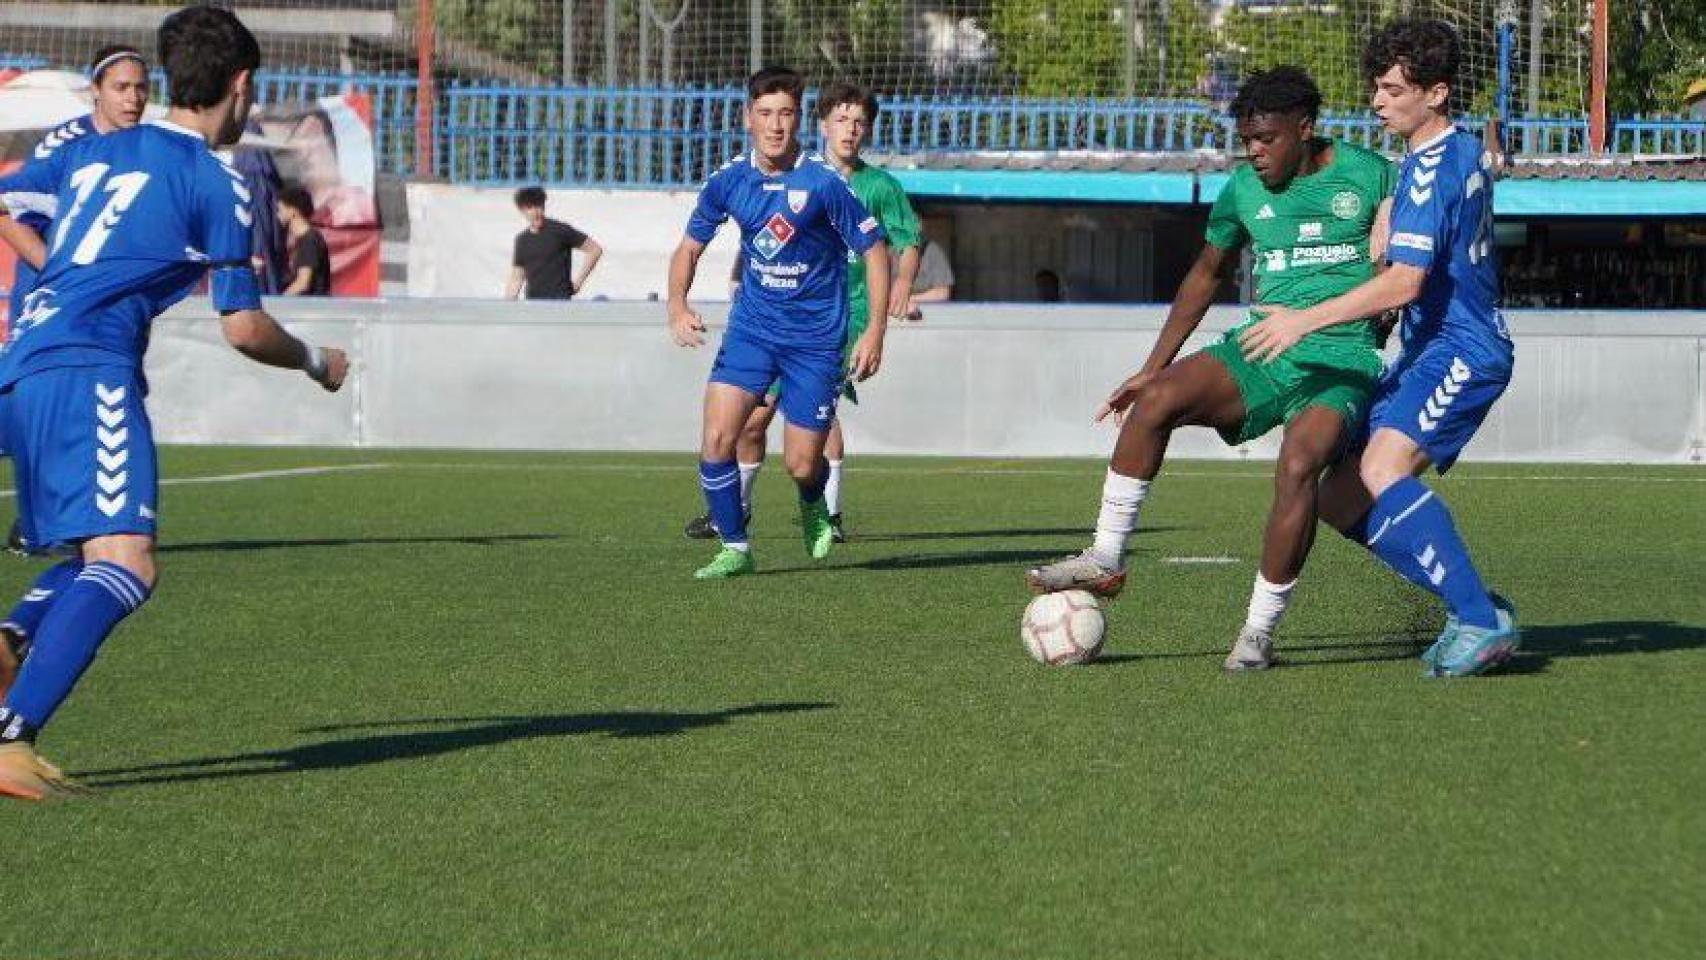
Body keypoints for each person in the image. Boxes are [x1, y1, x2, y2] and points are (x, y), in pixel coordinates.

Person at [0, 4, 351, 800]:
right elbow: (244, 327)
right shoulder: (213, 180)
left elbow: (16, 202)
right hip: (87, 368)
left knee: (87, 556)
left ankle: (17, 634)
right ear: (242, 84)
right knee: (127, 563)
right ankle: (10, 735)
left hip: (22, 359)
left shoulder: (93, 151)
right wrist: (313, 361)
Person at [1025, 66, 1395, 671]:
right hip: (1261, 350)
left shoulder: (1372, 173)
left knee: (1299, 465)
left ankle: (1257, 632)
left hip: (1342, 359)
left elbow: (1407, 260)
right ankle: (1108, 558)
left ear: (1305, 129)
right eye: (1246, 140)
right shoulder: (1243, 191)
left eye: (1267, 139)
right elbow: (1206, 272)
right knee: (1158, 400)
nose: (1254, 153)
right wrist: (1152, 367)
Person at [1239, 20, 1519, 677]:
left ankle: (1476, 617)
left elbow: (1405, 281)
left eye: (1394, 90)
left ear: (1437, 93)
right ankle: (1473, 605)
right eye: (1377, 87)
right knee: (1338, 498)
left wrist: (1302, 319)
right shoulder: (1459, 150)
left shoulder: (1425, 174)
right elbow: (1472, 173)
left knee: (1381, 470)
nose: (1377, 101)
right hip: (1427, 346)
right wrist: (1392, 213)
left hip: (1462, 349)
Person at [667, 66, 890, 580]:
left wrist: (875, 329)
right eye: (765, 113)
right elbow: (689, 248)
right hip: (752, 331)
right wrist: (677, 304)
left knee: (801, 463)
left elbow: (874, 250)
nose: (775, 125)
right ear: (748, 118)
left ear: (798, 119)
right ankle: (735, 548)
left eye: (785, 113)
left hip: (814, 341)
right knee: (718, 437)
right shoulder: (728, 181)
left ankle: (813, 500)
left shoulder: (823, 183)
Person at [0, 44, 152, 665]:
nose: (134, 97)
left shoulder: (149, 146)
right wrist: (60, 272)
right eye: (122, 86)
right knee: (111, 548)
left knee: (89, 539)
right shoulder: (67, 145)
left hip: (92, 338)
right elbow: (9, 208)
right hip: (54, 336)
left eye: (142, 87)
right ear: (96, 90)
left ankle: (15, 633)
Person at [505, 186, 603, 300]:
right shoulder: (522, 240)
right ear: (522, 210)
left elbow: (595, 250)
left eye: (538, 205)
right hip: (533, 303)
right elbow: (517, 277)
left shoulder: (559, 230)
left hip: (559, 302)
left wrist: (578, 283)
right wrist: (508, 304)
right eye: (529, 207)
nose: (535, 211)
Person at [277, 183, 331, 296]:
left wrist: (278, 303)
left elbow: (303, 283)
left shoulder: (310, 241)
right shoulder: (303, 240)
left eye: (280, 209)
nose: (278, 214)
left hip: (309, 310)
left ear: (293, 211)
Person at [908, 238, 954, 313]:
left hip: (928, 315)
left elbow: (942, 293)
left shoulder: (931, 250)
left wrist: (908, 299)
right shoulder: (884, 250)